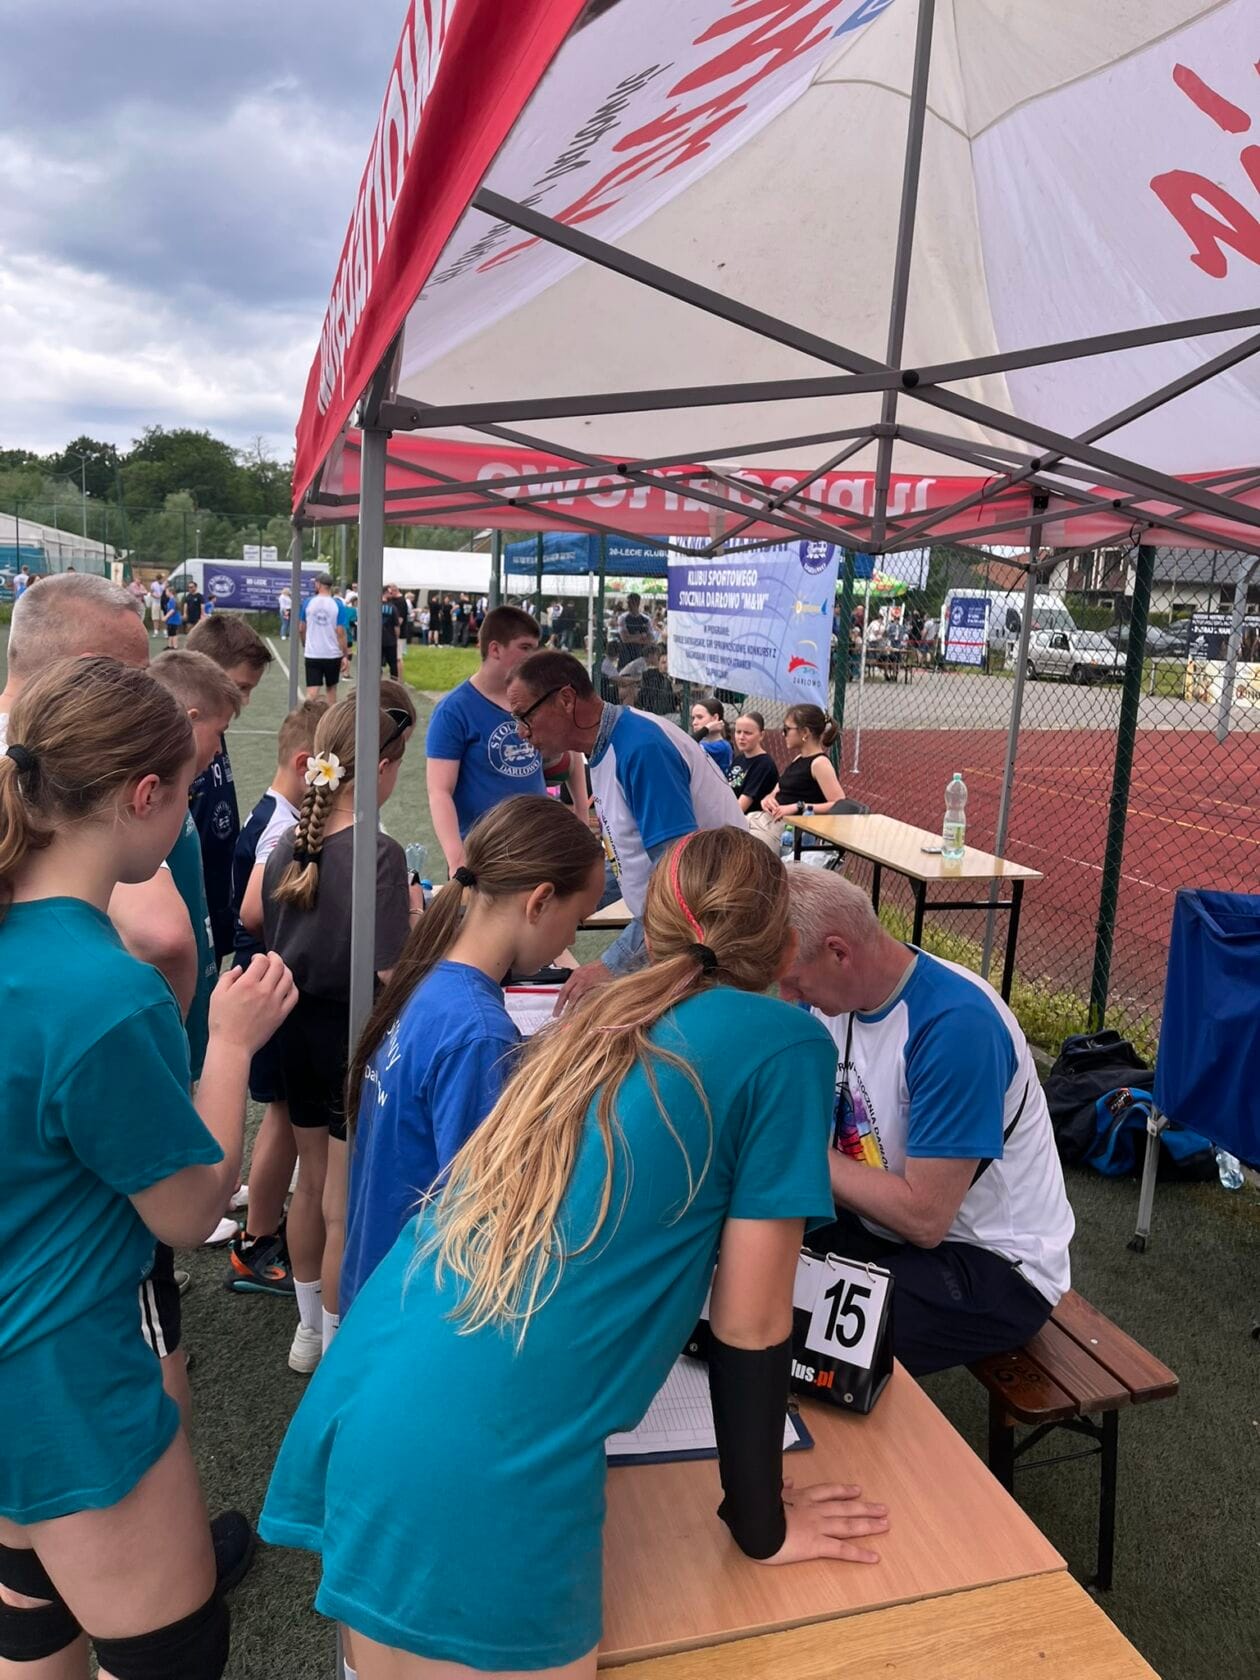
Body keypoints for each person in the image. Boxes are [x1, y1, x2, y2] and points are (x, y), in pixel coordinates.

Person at [261, 826, 890, 1674]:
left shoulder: (594, 1025)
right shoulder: (785, 1045)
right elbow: (751, 1321)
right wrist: (762, 1526)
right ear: (783, 948)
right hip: (480, 1457)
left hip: (375, 1397)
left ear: (652, 933)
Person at [0, 654, 296, 1680]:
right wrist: (231, 1043)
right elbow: (189, 1211)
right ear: (143, 796)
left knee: (33, 1621)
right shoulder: (101, 994)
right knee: (172, 1650)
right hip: (66, 1372)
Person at [779, 867, 1075, 1375]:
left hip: (990, 1263)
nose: (789, 997)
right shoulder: (836, 999)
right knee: (743, 1266)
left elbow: (925, 1219)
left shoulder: (955, 1028)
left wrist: (795, 1151)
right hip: (881, 1224)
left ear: (838, 952)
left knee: (796, 1342)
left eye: (794, 981)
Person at [342, 796, 606, 1315]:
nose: (573, 937)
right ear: (540, 902)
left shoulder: (431, 981)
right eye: (577, 919)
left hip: (376, 1284)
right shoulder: (480, 1035)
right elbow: (487, 1211)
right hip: (418, 1308)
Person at [240, 696, 412, 1375]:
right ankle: (337, 1344)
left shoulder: (288, 843)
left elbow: (257, 918)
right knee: (342, 1203)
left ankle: (309, 1331)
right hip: (350, 1036)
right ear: (382, 768)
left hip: (295, 1030)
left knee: (310, 1189)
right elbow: (392, 970)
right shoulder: (378, 855)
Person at [504, 651, 746, 1013]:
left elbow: (681, 883)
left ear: (566, 699)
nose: (521, 732)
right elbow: (626, 857)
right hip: (687, 935)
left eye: (525, 716)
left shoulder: (641, 749)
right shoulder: (608, 745)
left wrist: (610, 965)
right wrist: (559, 897)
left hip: (714, 940)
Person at [0, 574, 197, 1013]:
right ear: (91, 672)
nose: (150, 689)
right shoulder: (102, 764)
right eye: (137, 675)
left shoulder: (22, 757)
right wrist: (170, 1033)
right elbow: (161, 935)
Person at [225, 701, 324, 1297]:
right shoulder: (280, 828)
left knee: (285, 1115)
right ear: (308, 763)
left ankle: (262, 1231)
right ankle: (256, 1242)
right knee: (282, 1117)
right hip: (266, 983)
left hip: (267, 981)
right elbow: (252, 912)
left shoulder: (278, 814)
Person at [425, 606, 546, 877]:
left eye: (535, 648)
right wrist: (458, 860)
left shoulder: (535, 700)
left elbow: (566, 757)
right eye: (525, 647)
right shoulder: (454, 710)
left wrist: (580, 813)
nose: (533, 657)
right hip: (484, 858)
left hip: (536, 849)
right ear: (495, 649)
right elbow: (439, 791)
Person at [184, 615, 273, 964]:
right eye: (240, 687)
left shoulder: (213, 731)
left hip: (215, 904)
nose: (245, 701)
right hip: (187, 913)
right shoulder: (177, 746)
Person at [761, 705, 847, 823]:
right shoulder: (799, 758)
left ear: (805, 732)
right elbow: (779, 788)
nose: (783, 734)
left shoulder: (819, 763)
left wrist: (799, 806)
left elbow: (839, 804)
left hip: (790, 826)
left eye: (787, 729)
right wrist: (769, 798)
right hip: (771, 819)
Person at [727, 711, 781, 852]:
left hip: (751, 827)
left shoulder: (764, 764)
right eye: (738, 732)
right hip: (733, 820)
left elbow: (742, 805)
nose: (741, 737)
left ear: (761, 735)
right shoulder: (739, 759)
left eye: (748, 733)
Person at [299, 573, 349, 704]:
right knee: (331, 689)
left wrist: (305, 643)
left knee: (312, 692)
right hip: (332, 654)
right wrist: (344, 655)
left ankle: (305, 715)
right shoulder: (338, 604)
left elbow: (301, 628)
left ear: (318, 584)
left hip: (313, 653)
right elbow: (341, 632)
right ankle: (330, 716)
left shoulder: (308, 602)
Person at [690, 697, 733, 775]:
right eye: (693, 718)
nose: (694, 723)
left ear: (715, 718)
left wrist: (706, 729)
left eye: (700, 717)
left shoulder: (721, 747)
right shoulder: (703, 742)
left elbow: (687, 746)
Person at [616, 591, 655, 669]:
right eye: (628, 603)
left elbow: (650, 639)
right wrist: (641, 636)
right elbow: (625, 639)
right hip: (625, 657)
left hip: (640, 656)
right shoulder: (623, 618)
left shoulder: (646, 620)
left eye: (631, 603)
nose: (628, 605)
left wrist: (631, 637)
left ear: (637, 603)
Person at [637, 645, 675, 715]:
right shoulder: (651, 676)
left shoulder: (672, 677)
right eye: (663, 663)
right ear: (658, 664)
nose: (666, 665)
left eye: (668, 663)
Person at [380, 586, 405, 681]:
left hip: (377, 640)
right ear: (385, 593)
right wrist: (396, 638)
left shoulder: (374, 606)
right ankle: (394, 683)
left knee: (376, 664)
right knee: (393, 664)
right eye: (390, 593)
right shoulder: (393, 608)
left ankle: (376, 683)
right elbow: (396, 626)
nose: (391, 595)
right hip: (390, 640)